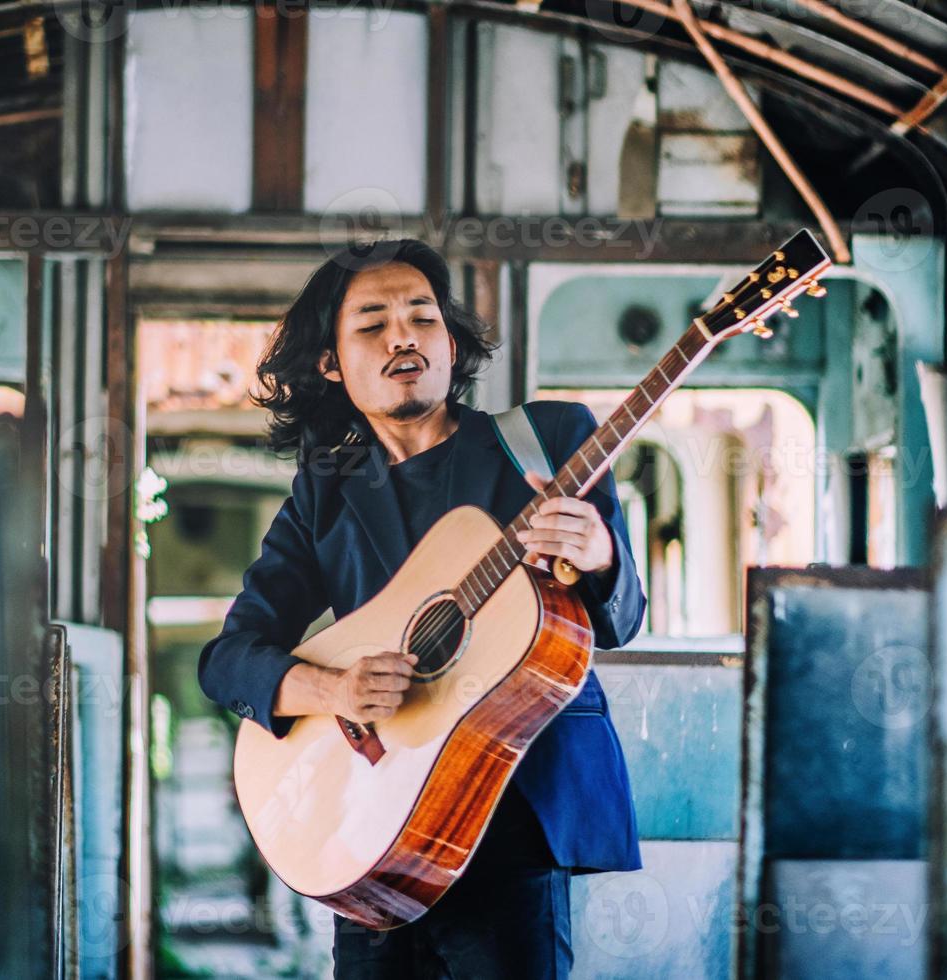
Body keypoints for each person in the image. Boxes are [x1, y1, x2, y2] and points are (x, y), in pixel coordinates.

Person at [198, 239, 646, 979]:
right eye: (373, 324)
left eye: (423, 317)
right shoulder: (328, 492)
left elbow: (621, 622)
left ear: (449, 341)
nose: (403, 336)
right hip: (369, 821)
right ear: (331, 364)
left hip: (512, 816)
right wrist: (334, 689)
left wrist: (598, 553)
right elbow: (229, 660)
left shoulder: (547, 441)